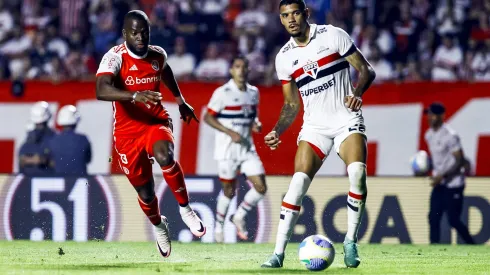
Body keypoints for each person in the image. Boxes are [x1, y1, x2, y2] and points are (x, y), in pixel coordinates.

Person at [261, 0, 376, 268]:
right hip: (315, 127)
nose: (291, 19)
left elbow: (366, 70)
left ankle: (350, 240)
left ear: (306, 14)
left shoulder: (333, 35)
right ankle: (277, 254)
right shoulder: (284, 58)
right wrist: (278, 130)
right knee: (298, 184)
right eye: (285, 15)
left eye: (296, 13)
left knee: (357, 174)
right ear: (281, 20)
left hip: (346, 118)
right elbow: (291, 104)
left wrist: (357, 94)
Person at [95, 10, 205, 258]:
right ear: (125, 34)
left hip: (155, 121)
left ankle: (186, 209)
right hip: (126, 133)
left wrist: (180, 101)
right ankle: (159, 226)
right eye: (134, 33)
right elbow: (101, 89)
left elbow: (165, 71)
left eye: (144, 32)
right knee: (145, 192)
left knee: (165, 155)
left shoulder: (158, 55)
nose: (140, 37)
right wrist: (133, 95)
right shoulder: (115, 58)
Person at [203, 56, 267, 243]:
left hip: (247, 148)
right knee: (229, 191)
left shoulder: (254, 92)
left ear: (248, 70)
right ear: (231, 70)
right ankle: (219, 228)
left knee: (261, 187)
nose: (241, 70)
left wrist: (255, 124)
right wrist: (229, 131)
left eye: (244, 67)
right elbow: (208, 118)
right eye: (237, 67)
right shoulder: (222, 92)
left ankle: (239, 216)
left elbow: (251, 116)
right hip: (227, 150)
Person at [424, 102, 475, 245]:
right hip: (440, 183)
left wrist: (443, 175)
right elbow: (438, 160)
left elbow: (460, 161)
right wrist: (427, 168)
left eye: (433, 114)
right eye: (429, 113)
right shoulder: (428, 135)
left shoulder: (450, 135)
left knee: (453, 220)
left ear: (441, 116)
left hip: (453, 184)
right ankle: (433, 251)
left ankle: (472, 245)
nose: (430, 117)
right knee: (433, 218)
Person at [48, 105, 91, 175]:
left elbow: (50, 162)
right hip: (80, 181)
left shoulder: (52, 139)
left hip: (57, 182)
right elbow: (88, 159)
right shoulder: (83, 139)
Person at [19, 101, 56, 175]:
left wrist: (43, 160)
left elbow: (61, 163)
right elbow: (21, 162)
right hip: (29, 181)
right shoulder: (27, 143)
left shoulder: (55, 139)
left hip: (49, 180)